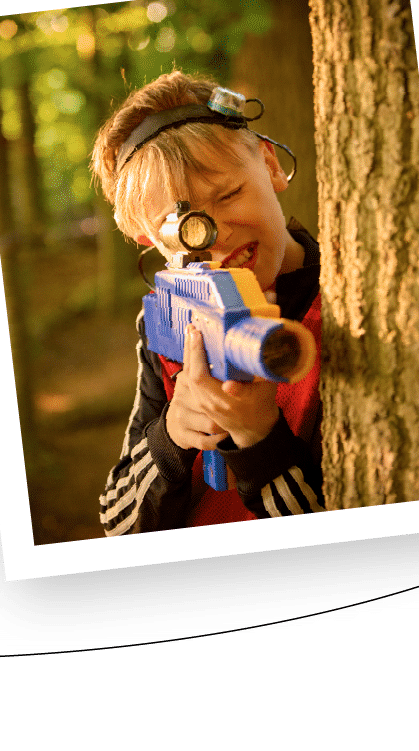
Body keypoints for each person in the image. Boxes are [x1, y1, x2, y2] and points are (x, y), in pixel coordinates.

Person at [91, 73, 324, 534]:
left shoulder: (345, 291)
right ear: (147, 236)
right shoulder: (168, 318)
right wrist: (174, 433)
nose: (218, 233)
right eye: (184, 227)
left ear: (270, 164)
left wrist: (260, 438)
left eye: (230, 193)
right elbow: (116, 523)